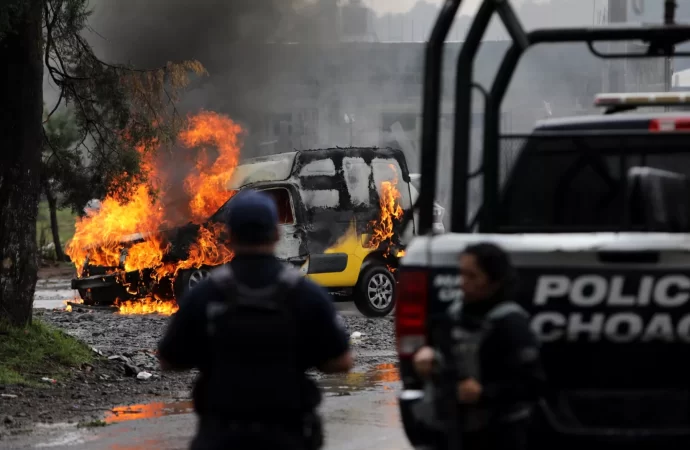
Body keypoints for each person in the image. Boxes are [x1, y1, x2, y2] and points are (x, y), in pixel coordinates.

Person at [158, 189, 353, 450]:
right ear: (276, 234)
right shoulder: (305, 294)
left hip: (222, 437)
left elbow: (169, 359)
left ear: (231, 237)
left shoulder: (205, 295)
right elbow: (341, 361)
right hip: (288, 437)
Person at [412, 242, 545, 450]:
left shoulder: (510, 323)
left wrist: (484, 393)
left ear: (494, 281)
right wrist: (427, 355)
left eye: (472, 276)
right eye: (462, 274)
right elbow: (437, 348)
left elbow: (532, 385)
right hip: (452, 430)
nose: (463, 282)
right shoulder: (455, 314)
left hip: (498, 435)